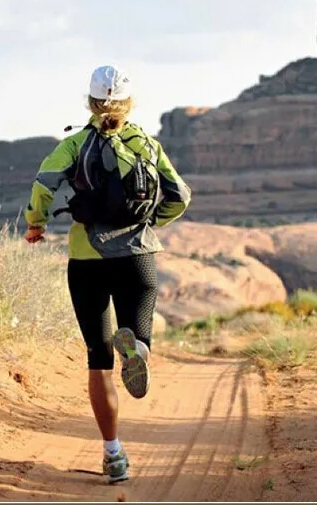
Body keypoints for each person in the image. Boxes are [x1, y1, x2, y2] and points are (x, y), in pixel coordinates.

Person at [24, 65, 191, 484]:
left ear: (91, 102)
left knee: (97, 361)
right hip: (137, 255)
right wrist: (150, 225)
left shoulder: (75, 144)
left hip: (87, 258)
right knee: (138, 330)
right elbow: (180, 196)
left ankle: (113, 455)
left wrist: (37, 224)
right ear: (128, 104)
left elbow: (43, 184)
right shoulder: (147, 145)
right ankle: (139, 350)